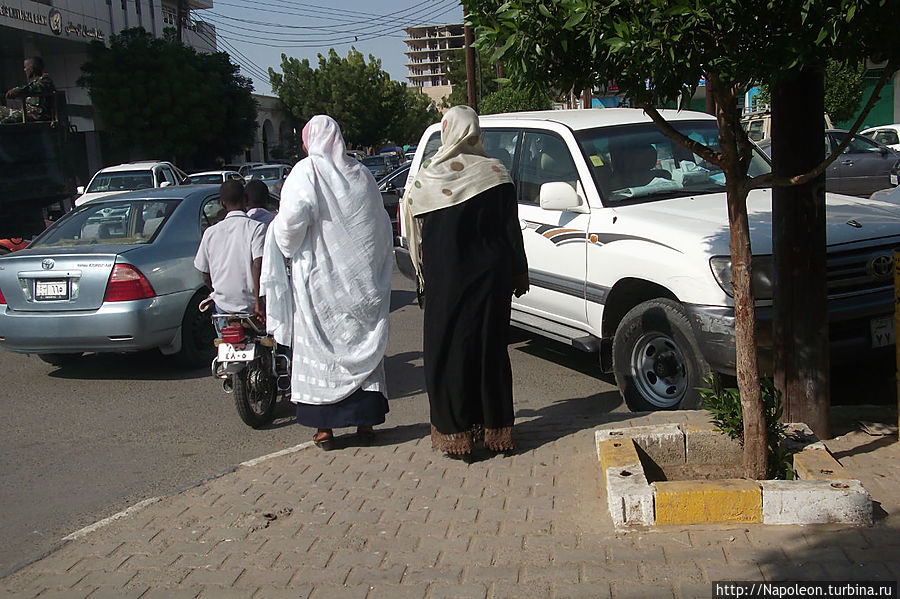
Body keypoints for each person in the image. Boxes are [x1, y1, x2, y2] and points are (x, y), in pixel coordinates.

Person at [402, 105, 529, 459]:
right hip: (492, 280)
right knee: (490, 352)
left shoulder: (430, 177)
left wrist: (422, 277)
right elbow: (510, 232)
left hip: (448, 282)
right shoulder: (495, 173)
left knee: (449, 353)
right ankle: (496, 430)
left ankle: (457, 434)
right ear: (475, 132)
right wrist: (519, 272)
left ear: (447, 131)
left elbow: (416, 227)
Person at [263, 115, 392, 450]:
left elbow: (291, 223)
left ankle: (324, 430)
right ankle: (365, 423)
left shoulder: (306, 172)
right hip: (360, 284)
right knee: (360, 342)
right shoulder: (361, 173)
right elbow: (378, 228)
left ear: (310, 141)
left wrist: (277, 233)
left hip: (321, 283)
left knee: (321, 352)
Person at [194, 180, 266, 329]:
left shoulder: (210, 233)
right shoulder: (256, 228)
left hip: (223, 308)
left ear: (222, 203)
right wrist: (259, 303)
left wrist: (216, 291)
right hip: (252, 307)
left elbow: (205, 274)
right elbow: (257, 264)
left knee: (223, 343)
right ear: (246, 200)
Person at [1, 57, 55, 124]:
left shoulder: (45, 80)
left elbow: (32, 88)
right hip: (28, 114)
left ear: (32, 69)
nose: (24, 70)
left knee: (5, 122)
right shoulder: (35, 82)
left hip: (38, 116)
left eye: (25, 67)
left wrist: (16, 91)